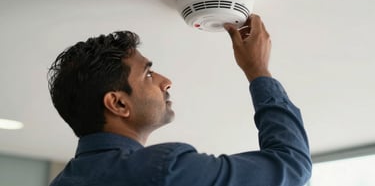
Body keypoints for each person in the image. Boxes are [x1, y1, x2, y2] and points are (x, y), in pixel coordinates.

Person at [48, 14, 312, 186]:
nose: (166, 81)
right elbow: (292, 167)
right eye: (148, 73)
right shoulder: (164, 170)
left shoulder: (62, 182)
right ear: (118, 104)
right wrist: (259, 71)